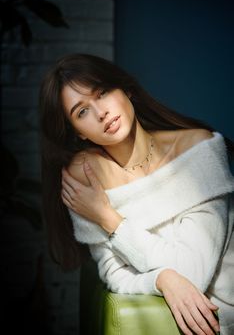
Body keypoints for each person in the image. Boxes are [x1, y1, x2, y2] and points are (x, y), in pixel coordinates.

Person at [40, 53, 234, 335]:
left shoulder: (198, 151)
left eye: (102, 93)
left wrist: (109, 218)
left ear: (126, 89)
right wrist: (161, 279)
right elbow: (114, 273)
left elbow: (193, 274)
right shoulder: (88, 178)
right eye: (82, 112)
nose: (100, 113)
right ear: (77, 132)